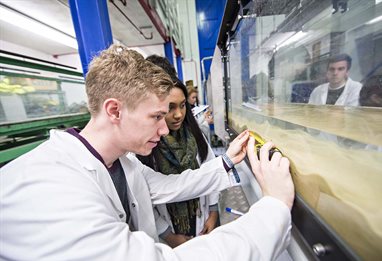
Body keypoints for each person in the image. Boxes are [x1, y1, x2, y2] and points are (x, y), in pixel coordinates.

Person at [0, 44, 294, 261]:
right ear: (114, 110)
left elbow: (175, 186)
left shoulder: (123, 164)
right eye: (156, 117)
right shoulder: (52, 188)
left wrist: (228, 160)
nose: (165, 129)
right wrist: (274, 208)